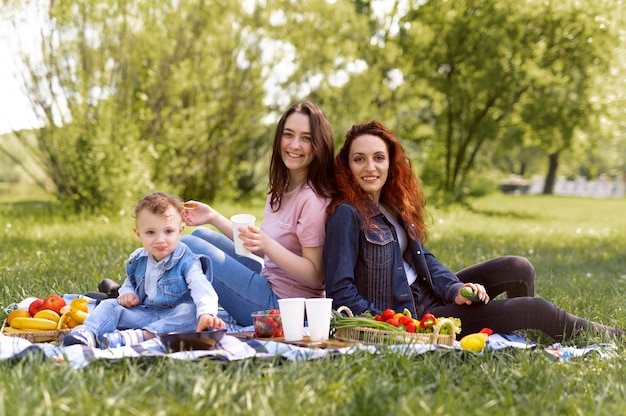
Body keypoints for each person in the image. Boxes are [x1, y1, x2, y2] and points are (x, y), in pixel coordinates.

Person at [323, 120, 622, 340]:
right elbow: (341, 292)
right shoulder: (346, 215)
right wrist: (394, 325)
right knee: (537, 308)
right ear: (347, 166)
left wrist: (454, 289)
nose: (369, 167)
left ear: (390, 163)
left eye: (378, 158)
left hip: (433, 295)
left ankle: (512, 336)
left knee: (518, 267)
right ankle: (614, 335)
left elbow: (424, 259)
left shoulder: (392, 206)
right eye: (359, 159)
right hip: (413, 314)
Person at [181, 101, 335, 326]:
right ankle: (158, 296)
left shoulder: (313, 200)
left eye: (306, 138)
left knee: (190, 246)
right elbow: (257, 245)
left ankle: (153, 299)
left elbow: (315, 275)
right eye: (288, 134)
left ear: (319, 144)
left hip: (285, 308)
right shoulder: (280, 190)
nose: (294, 144)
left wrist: (268, 244)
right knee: (200, 236)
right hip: (269, 282)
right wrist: (213, 217)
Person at [62, 192, 226, 348]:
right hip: (144, 313)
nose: (160, 240)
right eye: (150, 233)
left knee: (190, 311)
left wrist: (207, 314)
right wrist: (128, 293)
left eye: (168, 231)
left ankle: (137, 337)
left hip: (174, 317)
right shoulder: (138, 259)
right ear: (138, 234)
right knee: (109, 305)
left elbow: (202, 288)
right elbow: (130, 283)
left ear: (180, 232)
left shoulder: (187, 262)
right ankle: (87, 334)